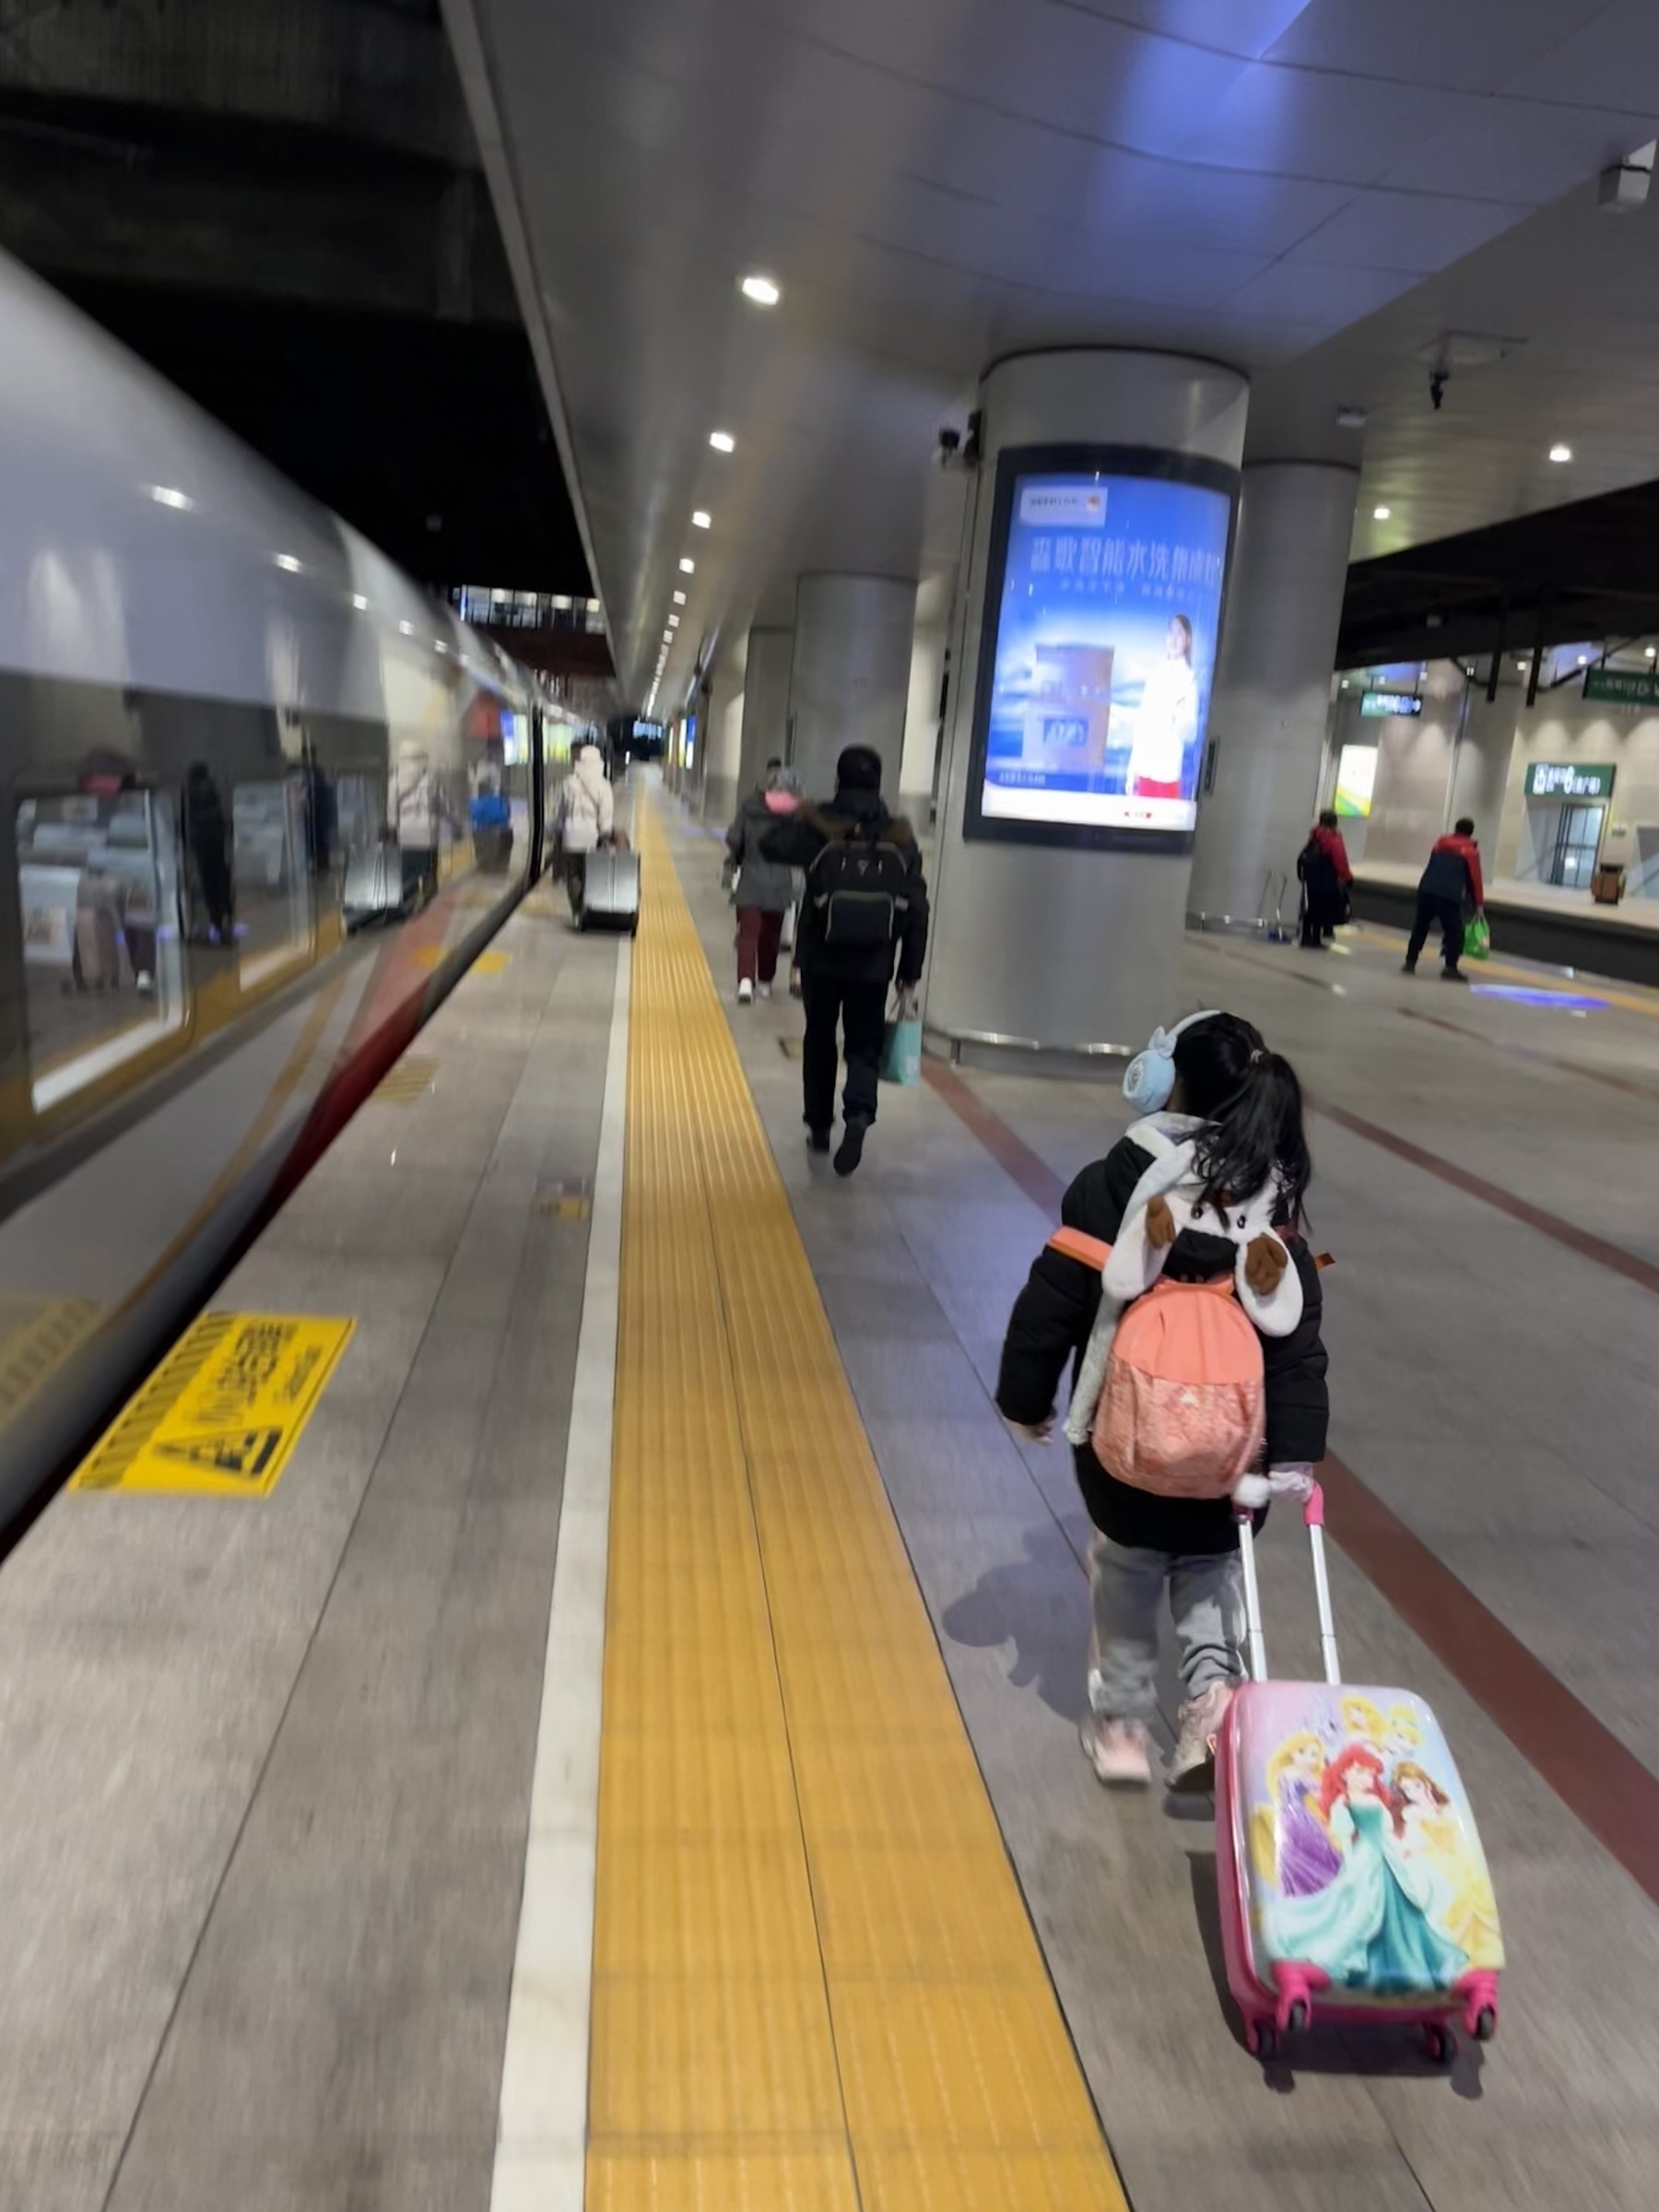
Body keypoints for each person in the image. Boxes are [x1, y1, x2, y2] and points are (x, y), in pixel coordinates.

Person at [995, 1012, 1329, 1792]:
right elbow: (1295, 1349)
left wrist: (1025, 1401)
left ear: (1167, 1085)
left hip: (1123, 1451)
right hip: (1229, 1461)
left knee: (1127, 1574)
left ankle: (1119, 1726)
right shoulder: (1272, 1210)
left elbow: (1052, 1304)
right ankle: (1211, 1708)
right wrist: (1294, 1452)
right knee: (1211, 1573)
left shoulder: (1112, 1185)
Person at [759, 743, 928, 1178]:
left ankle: (818, 1125)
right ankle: (857, 1115)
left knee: (819, 1038)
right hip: (874, 961)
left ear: (838, 780)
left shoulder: (821, 825)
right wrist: (909, 971)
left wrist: (802, 816)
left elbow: (768, 845)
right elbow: (917, 907)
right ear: (879, 783)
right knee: (863, 1044)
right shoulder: (900, 834)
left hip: (822, 956)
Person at [724, 763, 801, 1002]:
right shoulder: (799, 814)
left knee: (748, 933)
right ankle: (766, 982)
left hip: (751, 878)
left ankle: (746, 981)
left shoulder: (751, 805)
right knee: (771, 935)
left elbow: (734, 839)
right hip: (780, 883)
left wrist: (735, 859)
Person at [1125, 614, 1199, 799]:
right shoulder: (1155, 676)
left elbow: (1191, 731)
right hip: (1144, 772)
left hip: (1167, 774)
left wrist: (1175, 717)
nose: (1174, 638)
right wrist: (1132, 770)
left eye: (1179, 633)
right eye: (1171, 632)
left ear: (1187, 641)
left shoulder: (1189, 680)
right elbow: (1142, 725)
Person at [1404, 817, 1484, 982]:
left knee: (1420, 927)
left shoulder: (1440, 844)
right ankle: (1450, 968)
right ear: (1470, 833)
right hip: (1448, 895)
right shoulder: (1470, 851)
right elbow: (1475, 879)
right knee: (1455, 932)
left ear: (1455, 829)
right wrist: (1478, 904)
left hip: (1426, 889)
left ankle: (1410, 962)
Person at [554, 742, 614, 920]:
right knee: (589, 874)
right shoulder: (603, 785)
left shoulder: (568, 783)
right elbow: (606, 813)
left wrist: (556, 828)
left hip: (571, 837)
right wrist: (605, 832)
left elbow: (559, 810)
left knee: (573, 874)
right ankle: (588, 907)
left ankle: (577, 911)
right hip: (592, 837)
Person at [182, 760, 233, 943]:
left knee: (209, 885)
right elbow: (223, 819)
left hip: (202, 847)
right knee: (222, 881)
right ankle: (226, 916)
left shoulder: (192, 793)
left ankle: (216, 921)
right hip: (217, 845)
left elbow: (189, 823)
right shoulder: (212, 791)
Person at [1297, 808, 1352, 949]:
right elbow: (1340, 861)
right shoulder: (1333, 839)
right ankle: (1315, 939)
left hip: (1311, 879)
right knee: (1323, 910)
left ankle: (1306, 937)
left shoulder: (1314, 835)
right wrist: (1348, 877)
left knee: (1312, 908)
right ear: (1335, 822)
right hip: (1327, 880)